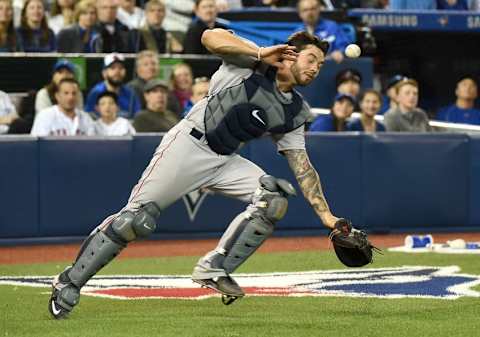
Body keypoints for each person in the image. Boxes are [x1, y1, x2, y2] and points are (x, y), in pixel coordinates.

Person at [48, 29, 350, 319]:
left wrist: (327, 217)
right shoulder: (250, 61)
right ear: (289, 54)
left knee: (273, 199)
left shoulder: (295, 110)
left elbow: (303, 165)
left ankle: (214, 267)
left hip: (225, 159)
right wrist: (259, 52)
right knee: (134, 221)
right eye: (311, 59)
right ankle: (69, 281)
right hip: (189, 144)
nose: (316, 69)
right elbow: (210, 36)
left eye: (321, 64)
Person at [85, 53, 141, 119]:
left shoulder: (130, 93)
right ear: (104, 73)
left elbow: (137, 116)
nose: (117, 71)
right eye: (113, 68)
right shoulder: (96, 93)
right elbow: (89, 116)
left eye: (121, 68)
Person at [126, 50, 182, 115]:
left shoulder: (165, 87)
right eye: (146, 64)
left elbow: (176, 109)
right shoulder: (132, 88)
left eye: (154, 64)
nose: (151, 67)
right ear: (138, 69)